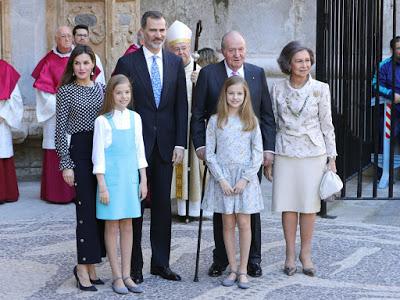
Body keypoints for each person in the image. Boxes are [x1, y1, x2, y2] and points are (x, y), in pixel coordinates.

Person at [191, 30, 276, 277]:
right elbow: (197, 115)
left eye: (241, 49)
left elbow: (266, 114)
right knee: (223, 212)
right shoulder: (208, 74)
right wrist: (201, 146)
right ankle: (222, 259)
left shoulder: (257, 73)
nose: (237, 54)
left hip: (250, 157)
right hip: (220, 155)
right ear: (223, 51)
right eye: (231, 50)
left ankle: (253, 260)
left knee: (249, 213)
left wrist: (268, 150)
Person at [113, 11, 188, 283]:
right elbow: (116, 103)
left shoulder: (174, 63)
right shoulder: (127, 62)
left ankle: (161, 264)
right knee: (135, 208)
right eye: (153, 30)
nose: (158, 35)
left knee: (162, 208)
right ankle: (134, 266)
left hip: (166, 146)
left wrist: (180, 142)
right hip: (134, 147)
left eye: (162, 30)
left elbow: (181, 105)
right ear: (142, 32)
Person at [271, 41, 337, 277]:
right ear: (288, 63)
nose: (304, 65)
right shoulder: (277, 88)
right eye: (299, 61)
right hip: (285, 152)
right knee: (288, 206)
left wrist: (332, 158)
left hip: (313, 153)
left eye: (307, 60)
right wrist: (269, 156)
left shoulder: (321, 88)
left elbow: (327, 125)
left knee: (309, 207)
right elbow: (273, 123)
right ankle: (289, 254)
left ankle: (305, 254)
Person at [202, 76, 264, 289]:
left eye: (239, 93)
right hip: (224, 180)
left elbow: (257, 152)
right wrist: (221, 179)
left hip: (244, 179)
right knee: (227, 224)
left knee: (245, 223)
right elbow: (210, 153)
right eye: (231, 93)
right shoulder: (216, 120)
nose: (235, 97)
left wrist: (246, 178)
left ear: (245, 95)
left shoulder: (251, 121)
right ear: (225, 95)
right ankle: (233, 267)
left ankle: (245, 269)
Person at [55, 45, 106, 291]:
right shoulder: (65, 92)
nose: (82, 68)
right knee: (84, 213)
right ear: (72, 67)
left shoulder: (102, 90)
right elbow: (59, 131)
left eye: (86, 63)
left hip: (101, 153)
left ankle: (93, 264)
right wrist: (66, 163)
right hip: (80, 152)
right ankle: (82, 267)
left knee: (98, 213)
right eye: (77, 63)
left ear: (93, 65)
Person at [93, 74, 147, 295]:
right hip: (111, 183)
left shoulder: (136, 118)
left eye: (127, 92)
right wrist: (102, 186)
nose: (123, 96)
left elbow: (139, 151)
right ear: (111, 95)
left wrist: (143, 179)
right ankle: (116, 276)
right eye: (119, 92)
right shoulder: (103, 121)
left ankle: (127, 274)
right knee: (112, 225)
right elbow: (98, 157)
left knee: (128, 225)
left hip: (130, 180)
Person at [32, 26, 75, 203]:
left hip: (76, 115)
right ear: (56, 39)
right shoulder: (48, 61)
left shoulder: (79, 58)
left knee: (76, 148)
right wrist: (63, 104)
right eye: (62, 36)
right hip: (55, 115)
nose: (66, 39)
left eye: (68, 36)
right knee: (55, 150)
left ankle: (76, 193)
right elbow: (42, 93)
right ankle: (55, 193)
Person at [166, 20, 202, 221]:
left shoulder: (200, 70)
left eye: (184, 48)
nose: (181, 52)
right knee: (179, 165)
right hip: (176, 126)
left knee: (195, 168)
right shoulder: (169, 70)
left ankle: (195, 209)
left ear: (190, 48)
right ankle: (180, 209)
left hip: (195, 125)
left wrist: (201, 82)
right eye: (176, 49)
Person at [0, 60, 23, 203]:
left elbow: (15, 99)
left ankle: (4, 193)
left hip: (1, 120)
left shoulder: (5, 69)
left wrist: (2, 115)